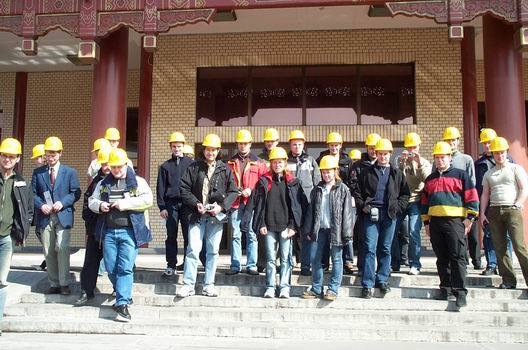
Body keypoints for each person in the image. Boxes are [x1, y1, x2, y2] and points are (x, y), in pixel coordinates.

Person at [89, 148, 153, 322]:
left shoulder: (138, 182)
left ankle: (122, 302)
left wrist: (125, 203)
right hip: (108, 232)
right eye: (114, 167)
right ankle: (123, 293)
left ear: (126, 164)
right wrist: (100, 205)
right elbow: (91, 201)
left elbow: (148, 200)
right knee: (111, 267)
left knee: (125, 267)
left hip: (130, 232)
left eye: (119, 167)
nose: (117, 170)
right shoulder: (103, 184)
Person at [177, 134, 238, 298]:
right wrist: (195, 203)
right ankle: (188, 284)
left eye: (213, 149)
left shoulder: (225, 169)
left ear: (218, 151)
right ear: (203, 150)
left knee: (213, 251)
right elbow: (184, 189)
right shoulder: (194, 167)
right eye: (207, 149)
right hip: (196, 216)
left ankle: (208, 285)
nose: (210, 152)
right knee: (193, 250)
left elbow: (233, 191)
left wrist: (221, 207)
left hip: (215, 218)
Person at [242, 147, 307, 299]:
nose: (277, 165)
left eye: (280, 162)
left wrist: (293, 227)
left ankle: (284, 287)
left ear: (285, 163)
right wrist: (261, 224)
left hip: (286, 228)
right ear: (270, 163)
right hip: (269, 227)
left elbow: (298, 207)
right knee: (270, 260)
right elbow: (256, 204)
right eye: (275, 162)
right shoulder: (264, 181)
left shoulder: (293, 182)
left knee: (286, 259)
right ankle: (270, 287)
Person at [421, 142, 479, 308]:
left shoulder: (461, 175)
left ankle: (460, 292)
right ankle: (445, 289)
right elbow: (424, 203)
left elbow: (472, 198)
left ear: (450, 158)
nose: (440, 160)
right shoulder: (430, 179)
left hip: (455, 222)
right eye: (437, 158)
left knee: (458, 256)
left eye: (443, 157)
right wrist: (426, 223)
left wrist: (470, 219)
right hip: (436, 223)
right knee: (442, 258)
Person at [353, 138, 409, 299]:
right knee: (370, 247)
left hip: (389, 214)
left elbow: (405, 194)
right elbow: (357, 192)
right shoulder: (366, 172)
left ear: (390, 154)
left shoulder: (397, 173)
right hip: (370, 214)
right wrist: (363, 206)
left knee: (385, 248)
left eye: (385, 154)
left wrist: (398, 208)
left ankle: (382, 279)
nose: (383, 156)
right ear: (376, 154)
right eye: (380, 154)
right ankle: (368, 283)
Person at [32, 136, 81, 295]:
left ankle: (64, 282)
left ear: (60, 153)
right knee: (48, 250)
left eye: (54, 154)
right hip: (46, 216)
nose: (51, 157)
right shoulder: (38, 173)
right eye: (48, 154)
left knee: (62, 246)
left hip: (63, 214)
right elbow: (33, 194)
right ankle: (54, 283)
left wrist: (64, 202)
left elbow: (76, 193)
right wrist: (41, 205)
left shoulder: (69, 172)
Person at [302, 155, 354, 301]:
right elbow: (311, 212)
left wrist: (347, 233)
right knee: (316, 259)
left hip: (336, 229)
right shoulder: (317, 189)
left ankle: (332, 289)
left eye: (329, 171)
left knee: (337, 259)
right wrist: (308, 230)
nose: (326, 174)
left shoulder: (343, 189)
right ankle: (317, 288)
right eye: (324, 172)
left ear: (335, 171)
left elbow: (348, 214)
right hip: (320, 229)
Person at [479, 137, 528, 290]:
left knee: (519, 246)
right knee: (500, 248)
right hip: (494, 211)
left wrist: (518, 203)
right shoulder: (489, 173)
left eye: (502, 152)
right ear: (492, 154)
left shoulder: (515, 168)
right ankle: (508, 281)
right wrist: (482, 214)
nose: (499, 156)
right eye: (496, 153)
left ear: (506, 152)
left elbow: (524, 188)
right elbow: (485, 194)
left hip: (512, 210)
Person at [0, 138, 34, 334]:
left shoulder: (21, 182)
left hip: (6, 238)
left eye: (11, 156)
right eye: (4, 155)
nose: (7, 159)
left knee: (1, 281)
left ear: (18, 159)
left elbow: (28, 210)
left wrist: (22, 230)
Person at [226, 130, 267, 275]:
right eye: (240, 143)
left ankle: (251, 265)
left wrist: (251, 190)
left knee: (251, 234)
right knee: (235, 234)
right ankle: (235, 265)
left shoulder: (259, 163)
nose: (243, 146)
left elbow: (264, 182)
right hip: (236, 203)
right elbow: (226, 182)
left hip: (252, 203)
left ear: (250, 144)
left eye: (245, 143)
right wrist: (233, 191)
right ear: (237, 144)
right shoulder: (230, 162)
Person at [75, 146, 112, 306]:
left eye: (109, 163)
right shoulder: (96, 182)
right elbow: (86, 205)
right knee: (90, 261)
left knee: (115, 262)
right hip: (96, 229)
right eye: (103, 164)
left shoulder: (126, 180)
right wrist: (91, 221)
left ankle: (119, 291)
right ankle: (86, 291)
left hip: (115, 230)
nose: (107, 167)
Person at [440, 126, 481, 270]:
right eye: (448, 140)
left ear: (458, 141)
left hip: (466, 200)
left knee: (473, 234)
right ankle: (463, 262)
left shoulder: (466, 159)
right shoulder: (440, 159)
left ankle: (477, 261)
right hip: (451, 204)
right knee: (459, 236)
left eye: (453, 140)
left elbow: (472, 181)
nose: (451, 142)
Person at [475, 128, 513, 275]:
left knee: (507, 236)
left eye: (489, 142)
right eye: (484, 143)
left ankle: (506, 265)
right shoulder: (478, 164)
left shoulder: (510, 162)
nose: (487, 145)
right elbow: (478, 188)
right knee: (489, 235)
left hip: (506, 203)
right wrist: (480, 210)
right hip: (488, 205)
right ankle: (491, 264)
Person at [316, 132, 355, 274]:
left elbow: (352, 181)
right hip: (327, 197)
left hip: (343, 198)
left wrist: (351, 196)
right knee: (325, 231)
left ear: (341, 145)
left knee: (346, 230)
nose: (334, 147)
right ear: (328, 145)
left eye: (336, 145)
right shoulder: (321, 158)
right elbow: (317, 177)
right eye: (331, 145)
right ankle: (324, 263)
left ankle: (348, 261)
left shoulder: (347, 160)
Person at [393, 132, 431, 275]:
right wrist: (402, 166)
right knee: (393, 230)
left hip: (416, 201)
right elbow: (397, 180)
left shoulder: (424, 162)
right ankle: (394, 263)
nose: (411, 151)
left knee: (413, 232)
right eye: (409, 148)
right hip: (402, 201)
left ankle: (415, 264)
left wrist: (419, 164)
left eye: (414, 147)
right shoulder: (400, 160)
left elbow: (428, 179)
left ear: (419, 147)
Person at [157, 132, 193, 277]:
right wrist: (162, 207)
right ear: (170, 147)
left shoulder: (191, 164)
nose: (177, 149)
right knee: (171, 236)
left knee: (188, 236)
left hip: (187, 205)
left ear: (183, 146)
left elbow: (195, 185)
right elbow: (160, 187)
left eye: (179, 146)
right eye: (174, 146)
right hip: (171, 205)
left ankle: (187, 264)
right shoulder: (165, 166)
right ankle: (171, 264)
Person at [287, 130, 321, 276]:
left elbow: (317, 181)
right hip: (289, 202)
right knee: (288, 234)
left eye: (299, 144)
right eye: (294, 144)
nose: (297, 147)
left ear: (303, 145)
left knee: (305, 234)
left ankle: (305, 265)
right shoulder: (285, 160)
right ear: (290, 145)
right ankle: (287, 263)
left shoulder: (310, 160)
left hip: (307, 202)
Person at [350, 133, 381, 275]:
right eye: (371, 148)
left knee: (383, 242)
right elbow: (354, 187)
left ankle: (381, 269)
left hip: (381, 208)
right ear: (366, 148)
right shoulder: (357, 166)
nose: (373, 151)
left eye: (375, 148)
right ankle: (362, 267)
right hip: (363, 208)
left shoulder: (385, 165)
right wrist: (362, 204)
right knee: (363, 238)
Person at [256, 128, 280, 273]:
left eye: (273, 141)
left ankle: (275, 261)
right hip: (263, 196)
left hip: (277, 196)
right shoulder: (259, 158)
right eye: (268, 141)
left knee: (277, 231)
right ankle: (261, 262)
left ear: (277, 141)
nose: (270, 143)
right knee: (262, 231)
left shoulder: (281, 156)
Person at [31, 143, 47, 271]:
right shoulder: (37, 172)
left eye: (38, 158)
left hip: (49, 210)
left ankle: (48, 260)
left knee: (43, 234)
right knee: (39, 232)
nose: (36, 161)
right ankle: (47, 260)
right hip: (40, 207)